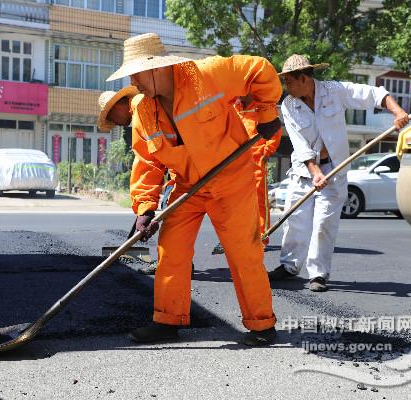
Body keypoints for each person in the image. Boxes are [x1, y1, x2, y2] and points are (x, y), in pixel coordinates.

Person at [107, 33, 282, 345]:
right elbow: (147, 161)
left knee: (244, 254)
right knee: (171, 249)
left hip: (232, 179)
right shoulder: (143, 110)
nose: (134, 82)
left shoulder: (207, 74)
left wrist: (267, 113)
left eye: (136, 74)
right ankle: (167, 320)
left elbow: (261, 70)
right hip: (189, 186)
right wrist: (145, 208)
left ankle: (261, 325)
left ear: (155, 68)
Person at [268, 54, 409, 292]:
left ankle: (318, 274)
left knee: (324, 223)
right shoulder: (290, 106)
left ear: (303, 78)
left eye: (289, 81)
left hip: (334, 170)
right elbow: (300, 144)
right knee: (296, 221)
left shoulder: (335, 90)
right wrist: (314, 172)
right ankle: (289, 266)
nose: (286, 87)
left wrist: (397, 112)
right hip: (304, 172)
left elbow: (374, 95)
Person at [212, 94, 282, 254]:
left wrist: (264, 153)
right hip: (234, 163)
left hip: (255, 162)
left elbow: (275, 132)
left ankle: (261, 237)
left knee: (258, 202)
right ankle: (233, 238)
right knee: (232, 203)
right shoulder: (234, 107)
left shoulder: (263, 107)